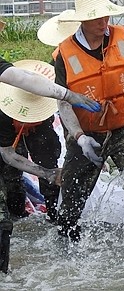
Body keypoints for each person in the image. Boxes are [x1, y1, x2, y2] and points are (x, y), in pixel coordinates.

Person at [53, 0, 124, 241]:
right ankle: (66, 247)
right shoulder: (64, 53)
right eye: (96, 16)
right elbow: (62, 103)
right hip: (87, 131)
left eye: (106, 15)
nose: (103, 21)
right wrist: (80, 138)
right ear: (82, 19)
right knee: (72, 199)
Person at [0, 60, 63, 273]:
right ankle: (16, 215)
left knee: (50, 172)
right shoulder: (3, 106)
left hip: (39, 125)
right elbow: (7, 153)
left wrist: (48, 173)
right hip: (7, 131)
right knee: (11, 181)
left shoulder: (39, 96)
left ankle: (55, 219)